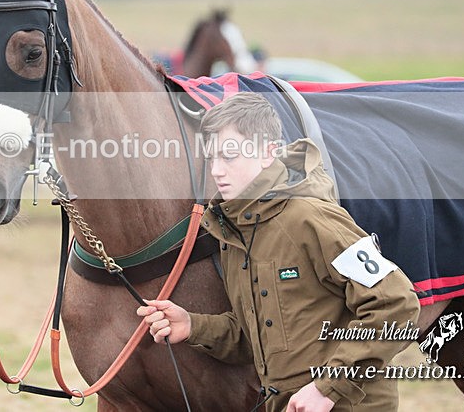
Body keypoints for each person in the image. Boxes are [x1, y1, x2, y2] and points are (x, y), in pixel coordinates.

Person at [138, 92, 420, 411]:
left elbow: (397, 304)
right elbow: (258, 336)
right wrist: (192, 326)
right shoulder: (235, 233)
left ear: (267, 153)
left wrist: (327, 388)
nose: (216, 171)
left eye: (230, 155)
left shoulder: (311, 218)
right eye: (211, 157)